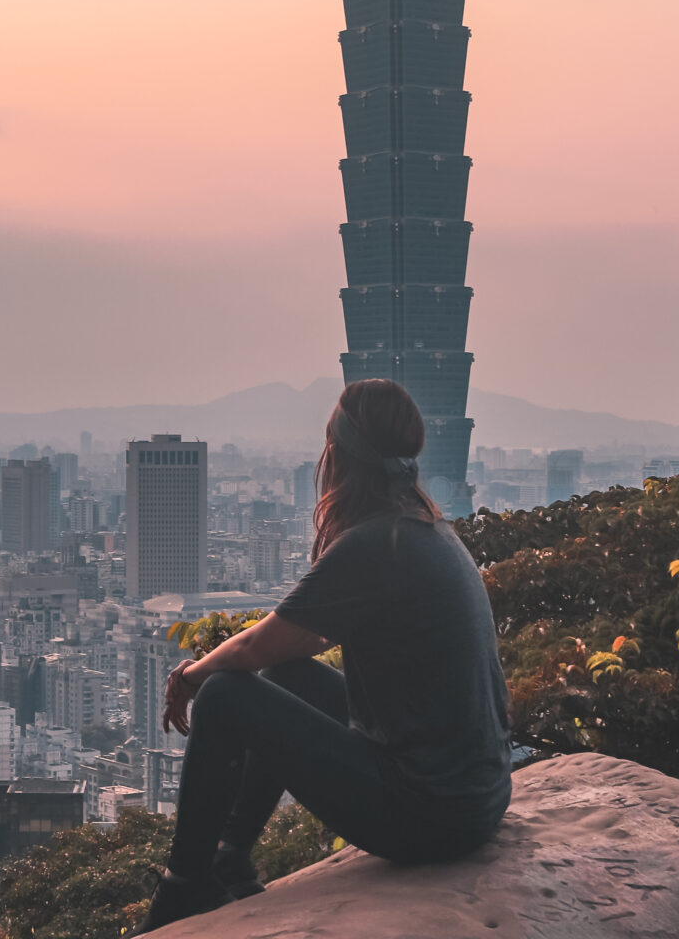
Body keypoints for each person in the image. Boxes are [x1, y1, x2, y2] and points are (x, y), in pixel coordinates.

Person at [136, 378, 513, 932]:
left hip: (427, 815)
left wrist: (191, 674)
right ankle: (228, 859)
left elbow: (261, 641)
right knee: (283, 676)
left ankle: (184, 888)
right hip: (474, 800)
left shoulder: (376, 544)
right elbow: (287, 648)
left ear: (338, 455)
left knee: (223, 694)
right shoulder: (428, 529)